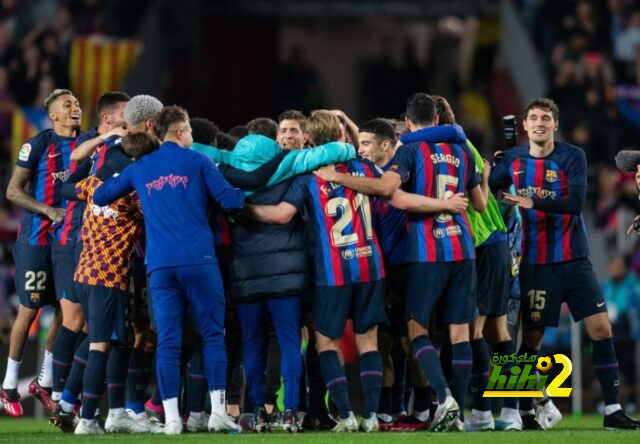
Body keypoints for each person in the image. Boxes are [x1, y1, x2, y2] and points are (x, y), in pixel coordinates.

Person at [317, 94, 487, 431]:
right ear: (437, 120)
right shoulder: (464, 150)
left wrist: (337, 178)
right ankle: (460, 414)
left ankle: (446, 399)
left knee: (415, 331)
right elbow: (478, 204)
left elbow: (386, 188)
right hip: (464, 249)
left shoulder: (410, 150)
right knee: (460, 333)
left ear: (407, 123)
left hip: (428, 252)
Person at [489, 97, 640, 430]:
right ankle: (518, 411)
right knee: (530, 340)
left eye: (546, 117)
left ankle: (612, 409)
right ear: (525, 125)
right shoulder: (512, 160)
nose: (540, 123)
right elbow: (490, 188)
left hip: (575, 259)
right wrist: (494, 172)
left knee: (601, 328)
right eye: (534, 118)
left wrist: (531, 198)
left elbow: (574, 203)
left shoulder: (573, 156)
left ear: (555, 124)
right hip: (535, 263)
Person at [94, 106, 245, 435]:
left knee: (168, 344)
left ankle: (173, 420)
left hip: (160, 267)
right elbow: (232, 202)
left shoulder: (141, 167)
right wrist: (239, 191)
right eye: (189, 130)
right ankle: (219, 412)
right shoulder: (199, 162)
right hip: (200, 262)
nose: (191, 136)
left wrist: (128, 173)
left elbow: (101, 195)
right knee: (212, 337)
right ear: (179, 132)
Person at [0, 89, 81, 417]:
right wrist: (47, 210)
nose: (75, 108)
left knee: (66, 310)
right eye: (67, 105)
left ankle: (44, 382)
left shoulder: (86, 144)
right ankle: (8, 385)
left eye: (76, 103)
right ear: (54, 115)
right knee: (30, 309)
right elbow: (12, 191)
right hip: (36, 240)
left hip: (69, 242)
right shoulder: (37, 145)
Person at [49, 91, 130, 409]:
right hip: (81, 246)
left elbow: (70, 183)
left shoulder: (123, 149)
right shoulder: (103, 146)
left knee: (91, 327)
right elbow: (70, 173)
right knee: (79, 323)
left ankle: (67, 398)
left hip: (95, 249)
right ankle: (62, 396)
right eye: (125, 111)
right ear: (108, 118)